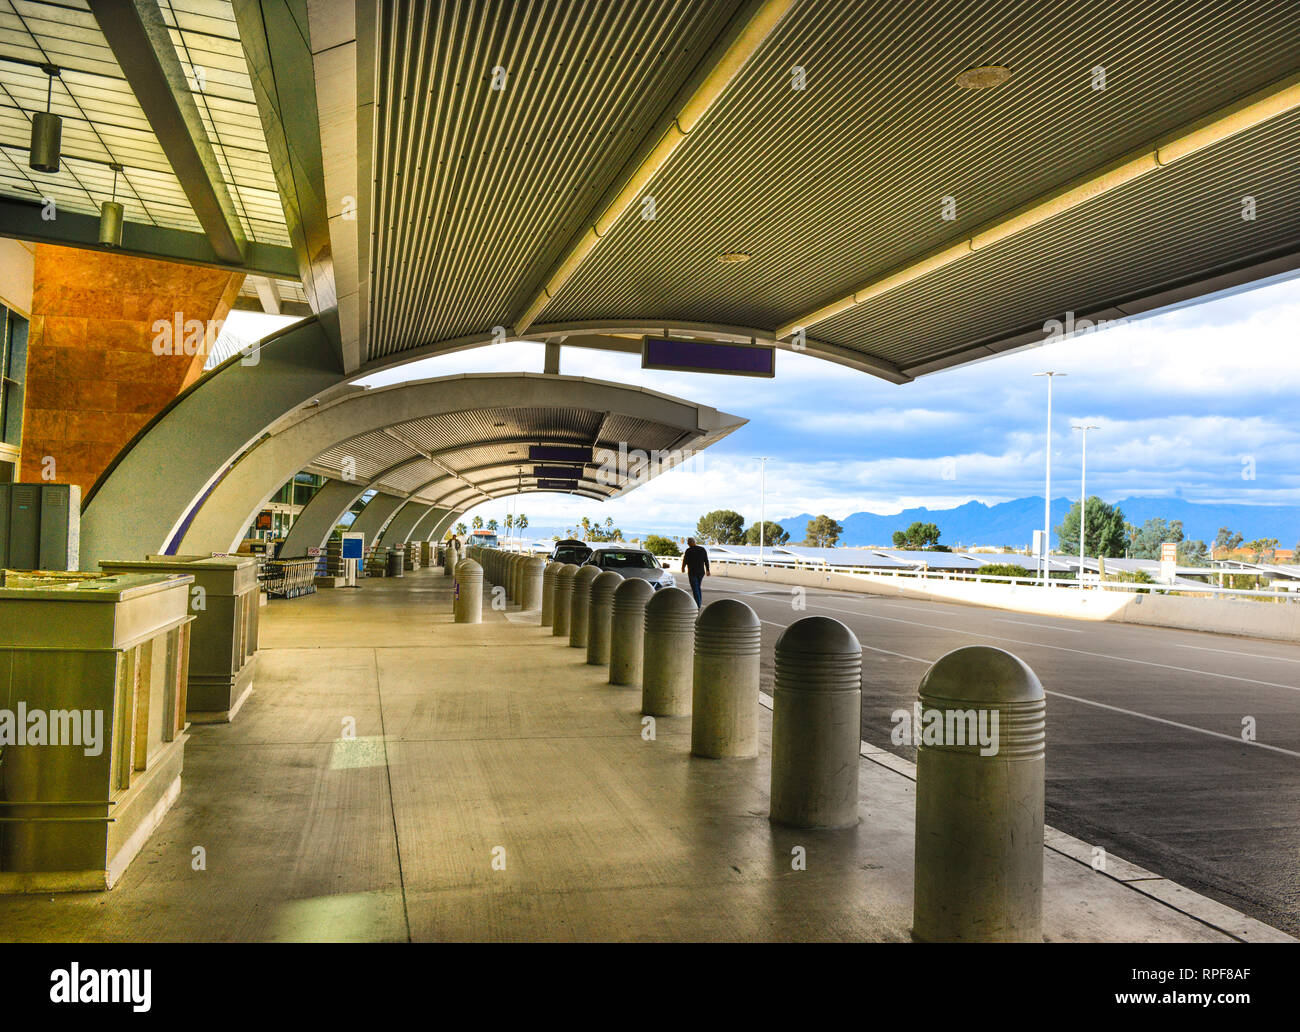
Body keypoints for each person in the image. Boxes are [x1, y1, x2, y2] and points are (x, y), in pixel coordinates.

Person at [681, 537, 710, 607]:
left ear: (690, 543)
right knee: (697, 587)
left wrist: (683, 568)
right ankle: (698, 602)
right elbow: (706, 560)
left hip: (692, 572)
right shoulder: (702, 549)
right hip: (701, 572)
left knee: (695, 588)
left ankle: (697, 604)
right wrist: (707, 570)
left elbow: (685, 560)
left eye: (688, 542)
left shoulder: (688, 550)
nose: (688, 544)